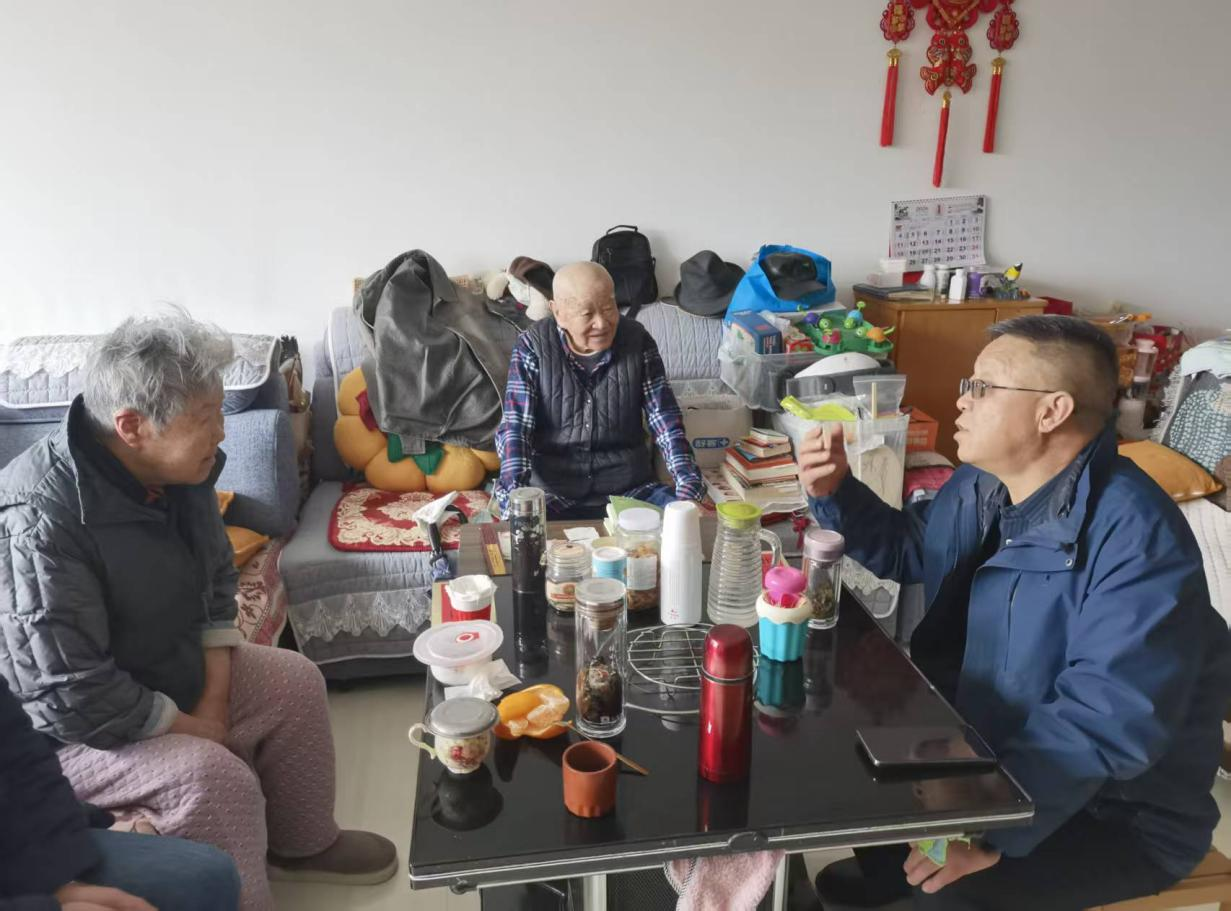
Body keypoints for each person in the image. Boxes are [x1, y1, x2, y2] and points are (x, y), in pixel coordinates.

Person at [796, 315, 1231, 911]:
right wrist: (837, 493)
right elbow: (912, 547)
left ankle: (912, 884)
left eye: (981, 388)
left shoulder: (1138, 539)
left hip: (1113, 810)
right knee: (857, 770)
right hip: (990, 747)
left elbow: (1106, 719)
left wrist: (991, 829)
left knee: (944, 894)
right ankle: (889, 875)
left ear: (1051, 411)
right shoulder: (982, 483)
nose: (962, 400)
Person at [0, 311, 398, 911]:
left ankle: (305, 844)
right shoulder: (37, 517)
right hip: (74, 735)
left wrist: (211, 705)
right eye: (205, 417)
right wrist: (190, 730)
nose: (221, 433)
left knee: (295, 681)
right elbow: (68, 692)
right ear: (131, 426)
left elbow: (216, 581)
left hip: (165, 671)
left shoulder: (182, 471)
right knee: (211, 775)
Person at [1, 670, 241, 911]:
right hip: (80, 732)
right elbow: (79, 690)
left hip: (22, 838)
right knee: (208, 769)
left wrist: (56, 881)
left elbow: (22, 758)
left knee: (207, 875)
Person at [493, 261, 705, 518]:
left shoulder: (637, 340)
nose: (602, 323)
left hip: (630, 489)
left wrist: (688, 487)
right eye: (587, 314)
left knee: (684, 520)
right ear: (557, 312)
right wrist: (514, 501)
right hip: (555, 493)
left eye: (608, 308)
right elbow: (516, 427)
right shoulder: (533, 346)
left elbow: (664, 418)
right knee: (531, 532)